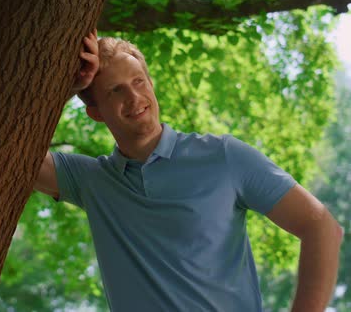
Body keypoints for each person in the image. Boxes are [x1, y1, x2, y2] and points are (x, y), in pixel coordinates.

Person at [35, 30, 343, 311]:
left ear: (151, 85)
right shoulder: (91, 181)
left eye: (139, 81)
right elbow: (11, 152)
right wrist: (64, 90)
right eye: (115, 91)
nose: (134, 98)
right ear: (95, 113)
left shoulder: (223, 156)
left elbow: (321, 226)